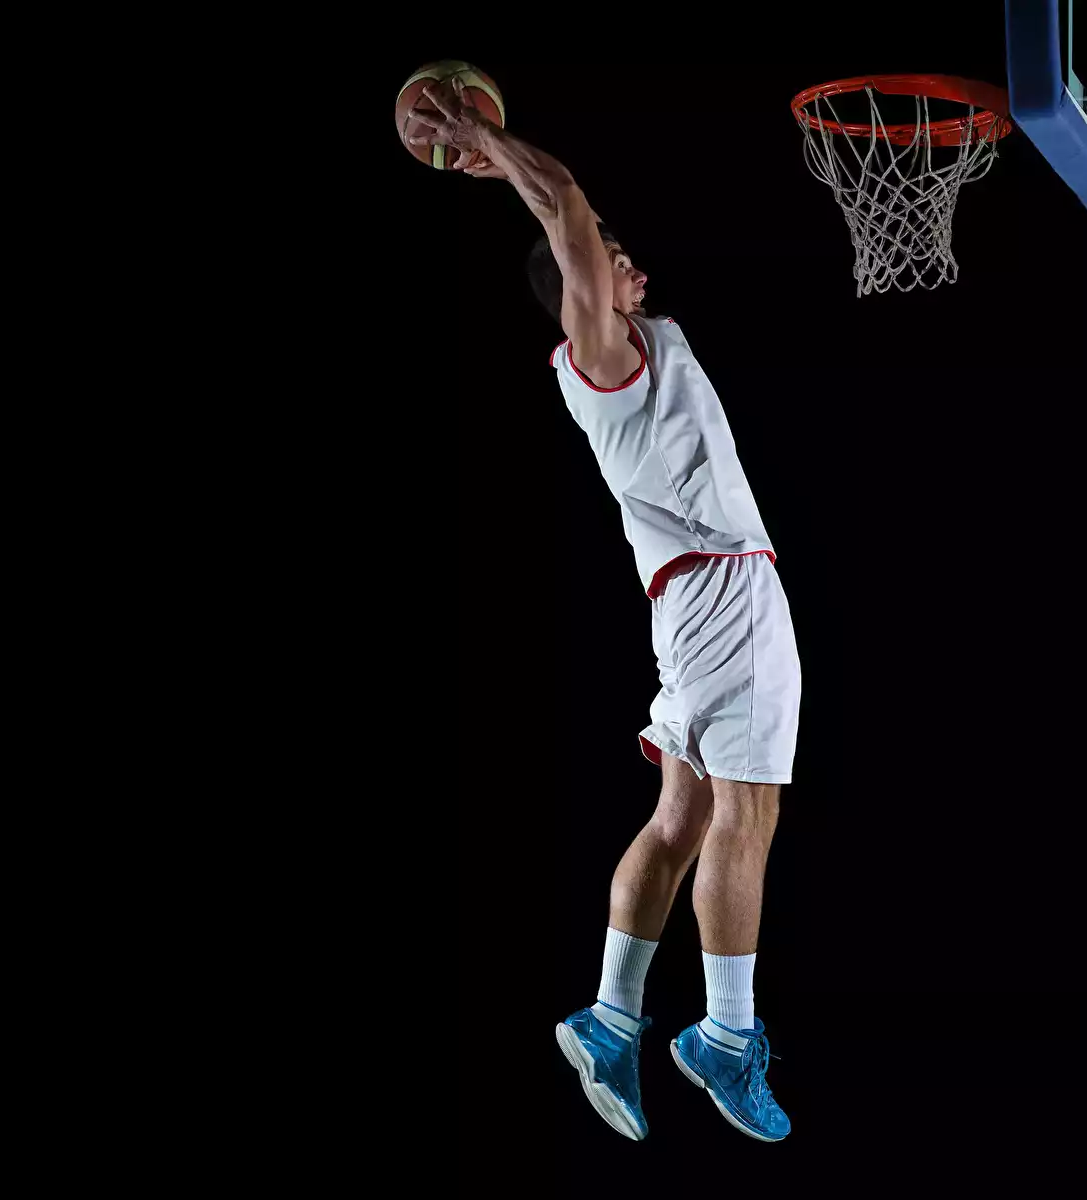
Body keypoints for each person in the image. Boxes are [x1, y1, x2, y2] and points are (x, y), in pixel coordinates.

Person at [405, 79, 799, 1143]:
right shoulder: (604, 352)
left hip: (691, 603)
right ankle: (726, 1038)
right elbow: (568, 206)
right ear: (580, 285)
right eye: (614, 261)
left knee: (681, 821)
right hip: (722, 596)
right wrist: (486, 140)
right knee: (745, 816)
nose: (634, 270)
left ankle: (614, 1019)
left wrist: (503, 165)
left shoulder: (625, 351)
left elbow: (568, 211)